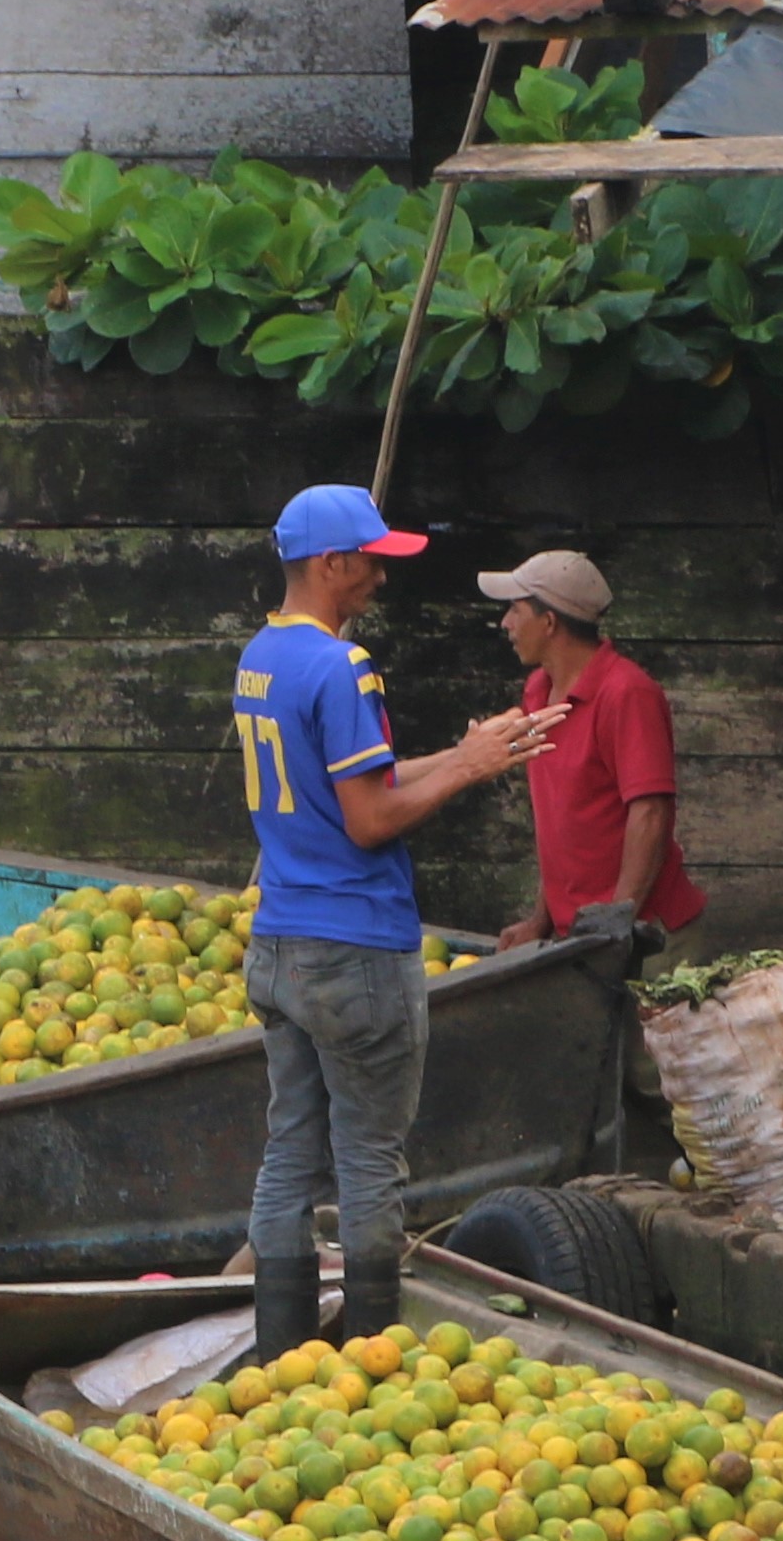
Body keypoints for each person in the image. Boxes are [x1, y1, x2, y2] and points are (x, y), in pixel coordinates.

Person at [231, 485, 566, 1361]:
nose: (381, 576)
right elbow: (371, 819)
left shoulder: (262, 657)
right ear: (332, 565)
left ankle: (280, 1364)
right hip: (354, 949)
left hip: (279, 945)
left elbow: (357, 781)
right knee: (371, 1162)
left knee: (289, 1157)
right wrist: (471, 770)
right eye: (372, 560)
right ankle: (370, 1360)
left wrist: (465, 752)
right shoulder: (345, 667)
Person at [482, 547, 702, 947]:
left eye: (515, 610)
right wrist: (540, 920)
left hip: (645, 932)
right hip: (584, 935)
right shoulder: (539, 691)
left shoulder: (627, 693)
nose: (506, 623)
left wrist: (619, 920)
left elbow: (651, 812)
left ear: (549, 622)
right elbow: (564, 821)